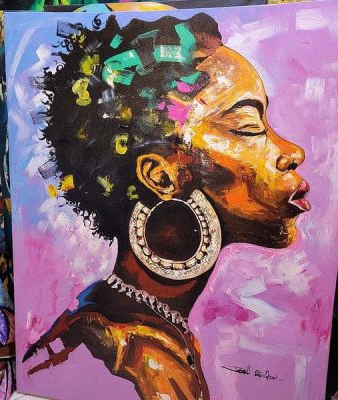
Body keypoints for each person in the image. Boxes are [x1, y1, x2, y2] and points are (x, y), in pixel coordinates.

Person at [24, 13, 310, 400]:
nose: (293, 152)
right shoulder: (130, 359)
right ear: (161, 176)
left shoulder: (145, 326)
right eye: (248, 126)